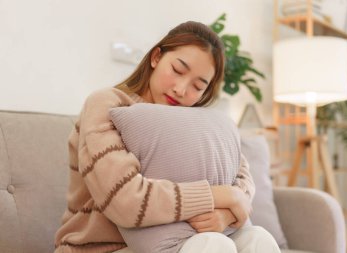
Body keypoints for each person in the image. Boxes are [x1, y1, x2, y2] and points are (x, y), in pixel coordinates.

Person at [54, 21, 280, 253]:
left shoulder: (191, 123)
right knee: (212, 245)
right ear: (156, 58)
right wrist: (221, 195)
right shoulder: (106, 104)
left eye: (198, 86)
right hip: (99, 249)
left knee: (257, 239)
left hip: (178, 240)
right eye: (178, 70)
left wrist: (226, 214)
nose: (181, 90)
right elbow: (125, 201)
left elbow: (241, 176)